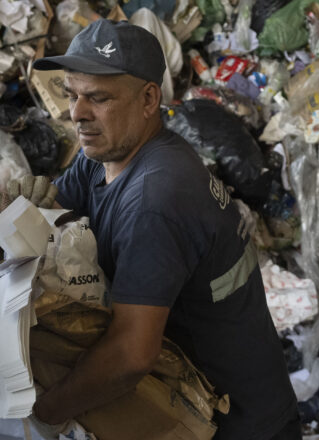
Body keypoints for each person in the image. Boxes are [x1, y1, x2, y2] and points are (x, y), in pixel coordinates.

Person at [27, 19, 300, 439]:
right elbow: (51, 217)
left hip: (240, 421)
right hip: (202, 406)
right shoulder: (106, 151)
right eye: (72, 95)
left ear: (149, 98)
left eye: (97, 98)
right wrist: (27, 207)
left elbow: (131, 356)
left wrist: (43, 413)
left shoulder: (157, 198)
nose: (77, 114)